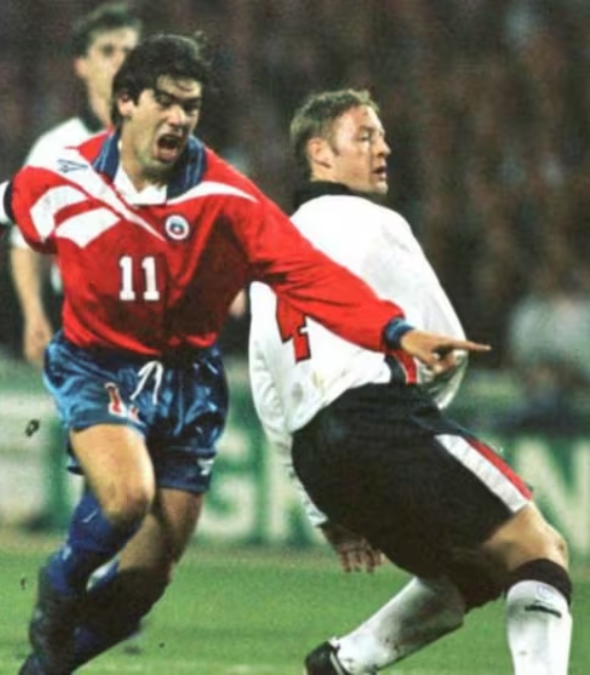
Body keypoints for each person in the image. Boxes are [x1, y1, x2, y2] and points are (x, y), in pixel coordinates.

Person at [0, 35, 485, 675]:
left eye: (192, 107)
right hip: (97, 365)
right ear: (126, 102)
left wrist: (394, 332)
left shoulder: (226, 196)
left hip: (188, 383)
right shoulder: (64, 178)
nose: (180, 119)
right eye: (167, 102)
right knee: (126, 497)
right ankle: (60, 583)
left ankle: (43, 667)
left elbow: (309, 275)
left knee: (146, 583)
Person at [247, 89, 572, 674]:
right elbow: (444, 345)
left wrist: (318, 507)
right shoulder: (376, 222)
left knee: (468, 573)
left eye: (382, 136)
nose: (384, 148)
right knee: (539, 549)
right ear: (320, 153)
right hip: (381, 422)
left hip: (317, 454)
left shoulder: (270, 256)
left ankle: (344, 662)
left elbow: (268, 392)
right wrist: (420, 423)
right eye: (365, 136)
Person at [10, 2, 140, 367]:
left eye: (129, 52)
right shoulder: (55, 149)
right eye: (108, 51)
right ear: (81, 65)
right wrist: (33, 313)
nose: (121, 61)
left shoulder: (168, 141)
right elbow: (25, 242)